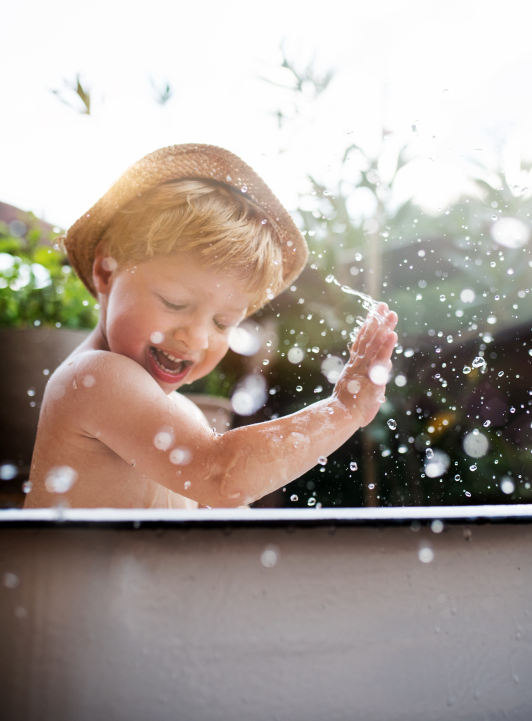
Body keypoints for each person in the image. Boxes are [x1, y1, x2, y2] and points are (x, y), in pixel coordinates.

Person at [24, 144, 398, 509]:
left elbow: (226, 522)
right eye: (175, 302)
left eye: (223, 322)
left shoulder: (187, 415)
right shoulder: (94, 378)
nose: (197, 337)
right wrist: (343, 409)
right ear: (107, 271)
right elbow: (222, 475)